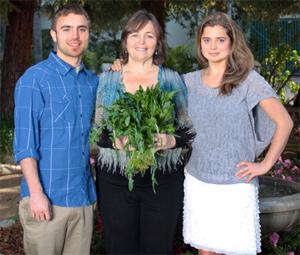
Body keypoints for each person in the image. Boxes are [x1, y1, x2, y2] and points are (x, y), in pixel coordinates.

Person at [182, 12, 293, 255]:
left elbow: (284, 121)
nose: (213, 46)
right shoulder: (188, 83)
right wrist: (121, 66)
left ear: (232, 42)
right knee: (206, 251)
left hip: (236, 184)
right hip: (199, 181)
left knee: (236, 250)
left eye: (220, 40)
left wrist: (264, 165)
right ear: (199, 43)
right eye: (207, 39)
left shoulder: (248, 81)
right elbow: (149, 82)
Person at [93, 9, 195, 254]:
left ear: (158, 44)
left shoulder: (172, 80)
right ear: (125, 41)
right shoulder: (107, 80)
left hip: (163, 182)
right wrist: (116, 142)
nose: (142, 42)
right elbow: (97, 133)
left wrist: (170, 140)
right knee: (119, 248)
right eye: (135, 35)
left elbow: (188, 133)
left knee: (157, 249)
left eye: (149, 36)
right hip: (115, 181)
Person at [13, 3, 98, 255]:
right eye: (67, 29)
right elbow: (25, 144)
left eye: (81, 29)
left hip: (82, 198)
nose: (75, 36)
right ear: (54, 35)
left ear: (88, 34)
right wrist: (37, 194)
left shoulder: (93, 82)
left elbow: (94, 135)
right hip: (46, 199)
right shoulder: (34, 79)